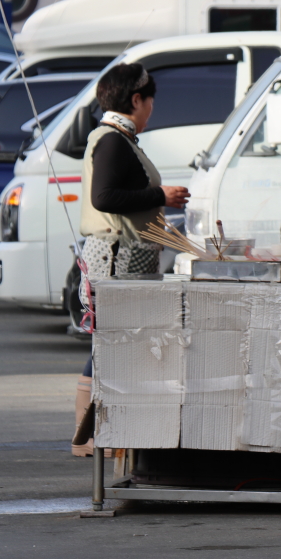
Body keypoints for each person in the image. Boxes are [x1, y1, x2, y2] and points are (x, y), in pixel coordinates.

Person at [72, 62, 189, 456]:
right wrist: (161, 196)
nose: (153, 107)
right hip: (115, 259)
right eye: (150, 99)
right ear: (136, 99)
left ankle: (97, 438)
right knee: (111, 344)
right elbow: (104, 198)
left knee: (111, 344)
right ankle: (91, 438)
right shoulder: (111, 140)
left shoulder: (120, 138)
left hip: (127, 256)